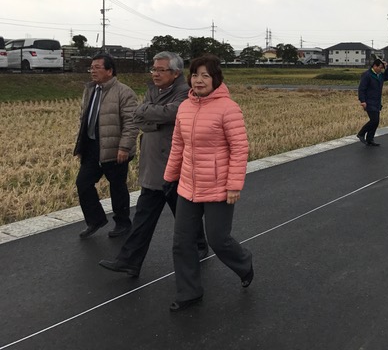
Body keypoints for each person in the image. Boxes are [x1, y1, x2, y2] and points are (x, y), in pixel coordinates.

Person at [98, 52, 208, 277]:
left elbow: (173, 113)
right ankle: (129, 261)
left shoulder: (185, 92)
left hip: (175, 165)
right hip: (153, 163)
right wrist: (156, 120)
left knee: (184, 214)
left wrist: (151, 115)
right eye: (153, 69)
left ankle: (199, 245)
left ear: (175, 73)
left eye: (160, 70)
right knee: (144, 217)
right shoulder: (153, 90)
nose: (155, 74)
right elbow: (139, 118)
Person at [164, 54, 253, 312]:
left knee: (218, 239)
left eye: (205, 75)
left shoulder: (228, 108)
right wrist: (169, 177)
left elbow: (239, 148)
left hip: (218, 186)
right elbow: (178, 145)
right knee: (182, 242)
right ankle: (189, 292)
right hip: (188, 186)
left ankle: (244, 263)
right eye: (195, 75)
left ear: (216, 79)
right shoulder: (185, 107)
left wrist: (234, 185)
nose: (199, 80)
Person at [73, 53, 138, 239]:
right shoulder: (90, 90)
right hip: (92, 147)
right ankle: (95, 220)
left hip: (115, 148)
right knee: (83, 183)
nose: (92, 71)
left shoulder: (124, 92)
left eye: (97, 67)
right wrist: (82, 145)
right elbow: (84, 119)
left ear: (110, 71)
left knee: (117, 187)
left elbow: (131, 122)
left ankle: (123, 223)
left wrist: (124, 147)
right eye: (91, 67)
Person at [356, 58, 388, 146]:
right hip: (369, 101)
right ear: (375, 66)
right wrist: (362, 100)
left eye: (382, 68)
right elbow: (361, 89)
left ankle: (370, 139)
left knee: (376, 121)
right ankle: (361, 133)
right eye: (380, 67)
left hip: (377, 101)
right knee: (374, 120)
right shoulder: (367, 75)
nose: (381, 69)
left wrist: (387, 67)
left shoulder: (380, 75)